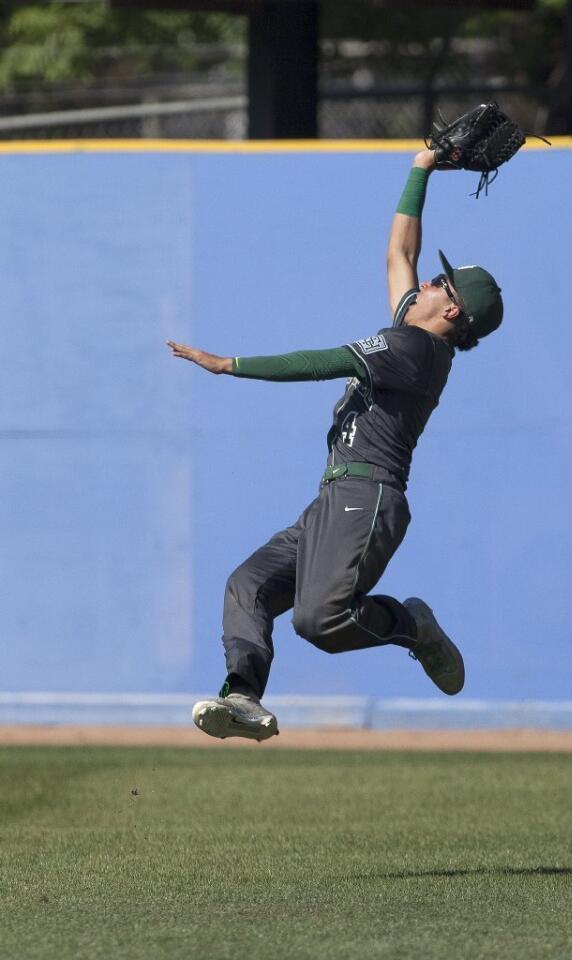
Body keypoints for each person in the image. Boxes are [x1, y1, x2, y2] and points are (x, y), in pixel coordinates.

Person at [167, 147, 503, 742]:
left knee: (318, 621)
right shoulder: (413, 333)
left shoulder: (415, 351)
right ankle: (243, 695)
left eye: (439, 282)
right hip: (334, 498)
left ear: (450, 307)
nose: (425, 280)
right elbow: (400, 252)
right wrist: (422, 166)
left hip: (368, 495)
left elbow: (322, 361)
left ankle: (410, 625)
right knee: (248, 585)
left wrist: (230, 364)